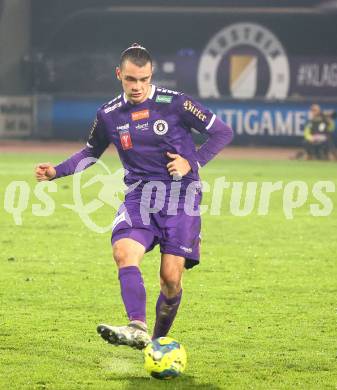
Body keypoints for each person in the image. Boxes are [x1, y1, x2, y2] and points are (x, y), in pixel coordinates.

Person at [35, 44, 233, 350]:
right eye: (130, 79)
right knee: (123, 252)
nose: (137, 86)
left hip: (181, 197)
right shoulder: (109, 114)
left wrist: (191, 161)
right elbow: (91, 151)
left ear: (151, 74)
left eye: (143, 79)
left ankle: (156, 341)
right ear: (119, 75)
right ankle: (137, 325)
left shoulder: (176, 103)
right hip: (140, 196)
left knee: (170, 279)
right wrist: (56, 172)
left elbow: (222, 132)